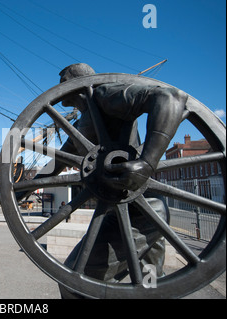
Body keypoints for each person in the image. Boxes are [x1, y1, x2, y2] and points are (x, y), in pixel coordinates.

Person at [47, 63, 187, 298]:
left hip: (142, 211)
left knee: (76, 280)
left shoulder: (104, 95)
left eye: (62, 79)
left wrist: (147, 163)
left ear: (76, 82)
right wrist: (14, 191)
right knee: (151, 285)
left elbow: (171, 97)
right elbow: (58, 160)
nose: (58, 86)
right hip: (126, 209)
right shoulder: (84, 121)